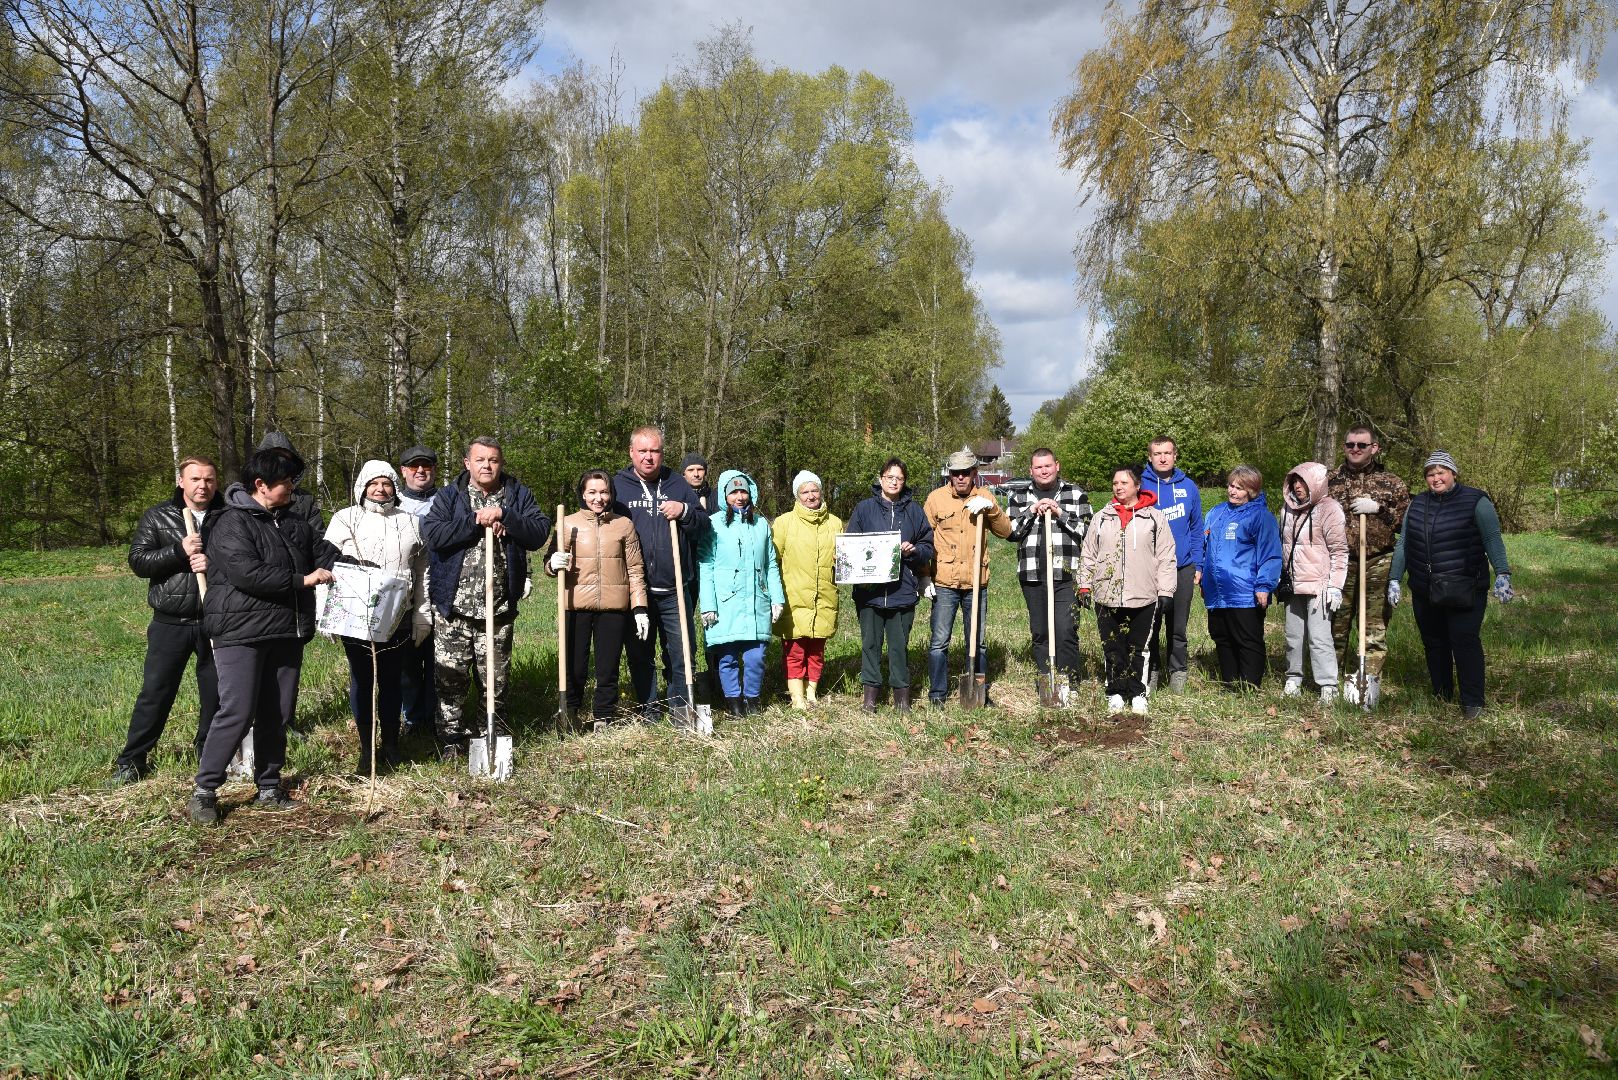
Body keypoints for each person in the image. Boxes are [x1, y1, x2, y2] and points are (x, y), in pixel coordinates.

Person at [187, 446, 339, 825]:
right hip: (241, 631)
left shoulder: (294, 523)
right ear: (261, 485)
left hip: (286, 630)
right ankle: (205, 790)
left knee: (278, 712)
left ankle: (268, 785)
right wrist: (302, 580)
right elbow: (246, 573)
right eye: (286, 481)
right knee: (237, 711)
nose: (291, 488)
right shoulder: (229, 523)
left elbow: (326, 554)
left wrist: (371, 574)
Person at [422, 437, 551, 761]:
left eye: (493, 460)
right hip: (454, 608)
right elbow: (433, 535)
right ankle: (450, 738)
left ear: (501, 463)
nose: (487, 465)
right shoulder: (450, 497)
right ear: (468, 462)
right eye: (480, 459)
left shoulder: (517, 495)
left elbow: (538, 532)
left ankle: (489, 735)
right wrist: (474, 521)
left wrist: (507, 517)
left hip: (498, 609)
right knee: (450, 678)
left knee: (495, 681)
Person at [111, 456, 225, 785]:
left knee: (216, 693)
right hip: (170, 622)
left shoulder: (229, 517)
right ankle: (133, 759)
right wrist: (178, 550)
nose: (203, 485)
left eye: (209, 479)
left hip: (215, 619)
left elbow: (242, 560)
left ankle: (208, 751)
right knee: (156, 692)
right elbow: (139, 561)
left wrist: (212, 561)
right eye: (195, 479)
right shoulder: (159, 516)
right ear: (181, 481)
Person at [323, 461, 432, 774]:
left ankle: (391, 745)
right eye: (374, 483)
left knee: (392, 679)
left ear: (395, 488)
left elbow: (423, 571)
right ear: (362, 487)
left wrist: (422, 614)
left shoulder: (411, 522)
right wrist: (329, 613)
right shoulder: (345, 519)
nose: (380, 489)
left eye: (386, 483)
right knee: (362, 679)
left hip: (398, 613)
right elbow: (327, 565)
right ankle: (366, 750)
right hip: (355, 614)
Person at [1387, 451, 1514, 719]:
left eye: (1441, 472)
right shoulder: (1417, 504)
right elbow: (1404, 543)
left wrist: (1503, 572)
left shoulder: (1476, 501)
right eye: (1430, 474)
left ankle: (1473, 702)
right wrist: (1395, 579)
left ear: (1453, 473)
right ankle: (1442, 694)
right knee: (1434, 643)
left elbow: (1492, 538)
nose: (1436, 478)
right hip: (1425, 588)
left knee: (1464, 641)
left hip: (1465, 586)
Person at [612, 426, 703, 721]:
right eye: (643, 451)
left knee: (681, 650)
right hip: (633, 589)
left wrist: (686, 511)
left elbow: (704, 527)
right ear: (631, 453)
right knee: (639, 654)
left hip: (675, 586)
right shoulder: (617, 487)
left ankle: (680, 705)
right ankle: (648, 708)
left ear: (662, 454)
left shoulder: (678, 484)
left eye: (655, 451)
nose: (649, 457)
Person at [545, 470, 650, 726]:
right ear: (583, 494)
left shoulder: (623, 525)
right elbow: (549, 564)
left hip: (613, 607)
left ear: (611, 493)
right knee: (575, 666)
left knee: (607, 666)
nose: (598, 497)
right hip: (576, 605)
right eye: (592, 492)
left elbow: (635, 569)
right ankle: (569, 713)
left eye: (604, 491)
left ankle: (604, 716)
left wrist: (640, 608)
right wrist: (552, 564)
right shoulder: (567, 523)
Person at [1076, 465, 1176, 714]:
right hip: (1106, 596)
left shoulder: (1154, 517)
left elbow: (1166, 556)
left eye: (1124, 483)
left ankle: (1138, 692)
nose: (1118, 487)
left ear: (1137, 485)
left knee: (1138, 646)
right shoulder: (1101, 518)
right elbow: (1089, 553)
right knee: (1113, 646)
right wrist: (1084, 585)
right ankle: (1116, 691)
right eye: (1115, 483)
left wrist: (1166, 591)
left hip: (1143, 595)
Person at [1326, 425, 1410, 706]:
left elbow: (1406, 523)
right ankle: (1330, 681)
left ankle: (1368, 679)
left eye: (1362, 445)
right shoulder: (1330, 481)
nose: (1355, 450)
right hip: (1340, 561)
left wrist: (1380, 509)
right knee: (1335, 623)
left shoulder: (1392, 483)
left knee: (1373, 624)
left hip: (1378, 560)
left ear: (1375, 447)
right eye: (1350, 445)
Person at [923, 450, 1013, 706]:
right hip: (944, 582)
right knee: (939, 642)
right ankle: (937, 695)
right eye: (955, 473)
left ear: (975, 473)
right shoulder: (935, 499)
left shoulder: (985, 496)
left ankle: (978, 694)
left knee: (978, 642)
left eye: (966, 473)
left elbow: (1006, 532)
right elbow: (923, 538)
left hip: (976, 583)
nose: (961, 478)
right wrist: (924, 576)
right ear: (949, 475)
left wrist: (992, 510)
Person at [845, 458, 934, 712]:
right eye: (889, 477)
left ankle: (901, 699)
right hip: (869, 594)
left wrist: (914, 550)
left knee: (898, 647)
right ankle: (870, 698)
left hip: (902, 591)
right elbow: (851, 545)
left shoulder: (914, 511)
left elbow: (928, 545)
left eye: (899, 478)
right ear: (881, 478)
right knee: (870, 644)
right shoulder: (864, 509)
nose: (894, 482)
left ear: (904, 482)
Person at [697, 470, 785, 715]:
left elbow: (771, 564)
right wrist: (708, 605)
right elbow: (706, 565)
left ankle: (753, 701)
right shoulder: (713, 524)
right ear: (725, 495)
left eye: (743, 491)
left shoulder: (761, 525)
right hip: (725, 604)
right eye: (733, 492)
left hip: (756, 602)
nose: (739, 497)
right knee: (727, 658)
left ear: (751, 493)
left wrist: (777, 598)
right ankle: (734, 703)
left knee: (756, 657)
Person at [1005, 448, 1092, 689]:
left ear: (1057, 466)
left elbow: (1090, 531)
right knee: (1041, 632)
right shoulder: (1019, 497)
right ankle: (1048, 683)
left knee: (1065, 630)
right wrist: (1032, 511)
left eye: (1048, 466)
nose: (1044, 471)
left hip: (1066, 574)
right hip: (1033, 574)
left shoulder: (1076, 494)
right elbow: (1009, 532)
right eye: (1038, 467)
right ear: (1031, 470)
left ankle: (1069, 686)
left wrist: (1059, 513)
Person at [1197, 465, 1283, 689]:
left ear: (1252, 491)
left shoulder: (1261, 517)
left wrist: (1264, 585)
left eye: (1239, 488)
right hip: (1217, 592)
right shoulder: (1215, 513)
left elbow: (1270, 554)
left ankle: (1249, 685)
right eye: (1231, 485)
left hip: (1245, 592)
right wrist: (1203, 577)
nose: (1232, 491)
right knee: (1222, 638)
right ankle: (1230, 682)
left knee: (1247, 639)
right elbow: (1204, 549)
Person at [771, 470, 843, 709]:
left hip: (824, 597)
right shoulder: (783, 523)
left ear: (821, 492)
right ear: (797, 495)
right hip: (793, 598)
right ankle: (796, 697)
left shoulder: (835, 523)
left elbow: (843, 560)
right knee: (794, 650)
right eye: (805, 492)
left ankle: (811, 692)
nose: (811, 496)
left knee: (817, 650)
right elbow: (774, 561)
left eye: (814, 490)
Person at [1277, 462, 1349, 703]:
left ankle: (1328, 685)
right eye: (1294, 482)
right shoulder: (1286, 509)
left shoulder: (1330, 509)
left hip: (1319, 585)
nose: (1298, 487)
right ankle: (1293, 678)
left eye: (1303, 482)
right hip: (1293, 584)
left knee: (1319, 638)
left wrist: (1335, 586)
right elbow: (1283, 545)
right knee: (1293, 636)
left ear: (1315, 484)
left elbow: (1340, 551)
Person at [1141, 436, 1203, 692]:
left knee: (1178, 628)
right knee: (1151, 626)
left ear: (1175, 456)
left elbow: (1197, 528)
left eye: (1167, 453)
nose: (1163, 458)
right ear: (1150, 457)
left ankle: (1178, 673)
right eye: (1158, 453)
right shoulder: (1141, 485)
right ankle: (1152, 672)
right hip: (1150, 569)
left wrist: (1198, 565)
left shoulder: (1189, 487)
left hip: (1183, 568)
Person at [395, 445, 439, 736]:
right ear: (403, 471)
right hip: (402, 597)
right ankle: (412, 718)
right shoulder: (392, 502)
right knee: (406, 665)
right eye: (414, 466)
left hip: (441, 591)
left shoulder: (447, 501)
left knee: (439, 662)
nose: (420, 471)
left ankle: (436, 716)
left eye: (426, 466)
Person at [256, 431, 324, 528]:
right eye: (275, 458)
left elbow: (318, 538)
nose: (281, 463)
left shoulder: (305, 501)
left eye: (286, 459)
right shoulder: (245, 500)